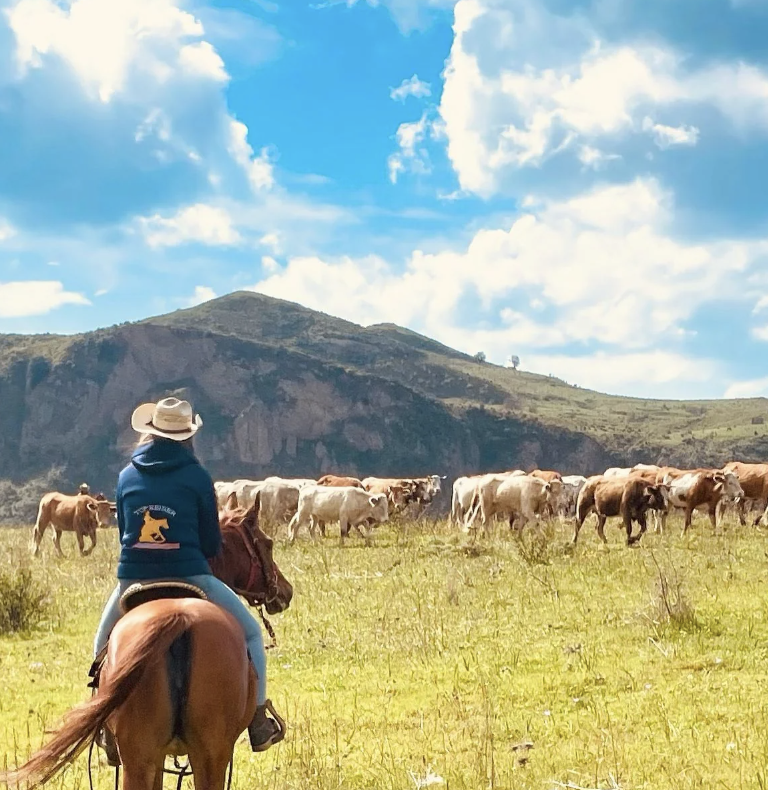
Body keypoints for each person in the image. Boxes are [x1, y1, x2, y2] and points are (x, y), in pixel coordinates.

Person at [92, 396, 283, 762]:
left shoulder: (126, 475)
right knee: (253, 634)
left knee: (102, 646)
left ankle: (103, 721)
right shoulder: (197, 476)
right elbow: (212, 543)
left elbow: (123, 535)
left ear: (151, 432)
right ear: (187, 436)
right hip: (192, 574)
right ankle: (258, 719)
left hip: (133, 580)